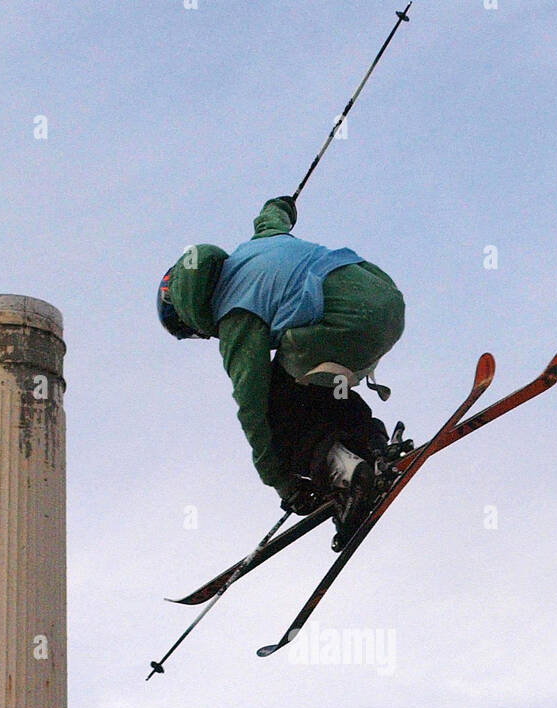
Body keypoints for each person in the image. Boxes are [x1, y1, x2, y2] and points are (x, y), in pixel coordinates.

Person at [157, 196, 405, 542]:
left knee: (276, 403)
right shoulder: (255, 246)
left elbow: (252, 410)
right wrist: (281, 205)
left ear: (189, 313)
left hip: (345, 325)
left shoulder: (234, 316)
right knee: (310, 384)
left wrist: (282, 482)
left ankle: (343, 469)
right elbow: (271, 218)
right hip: (384, 300)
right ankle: (370, 447)